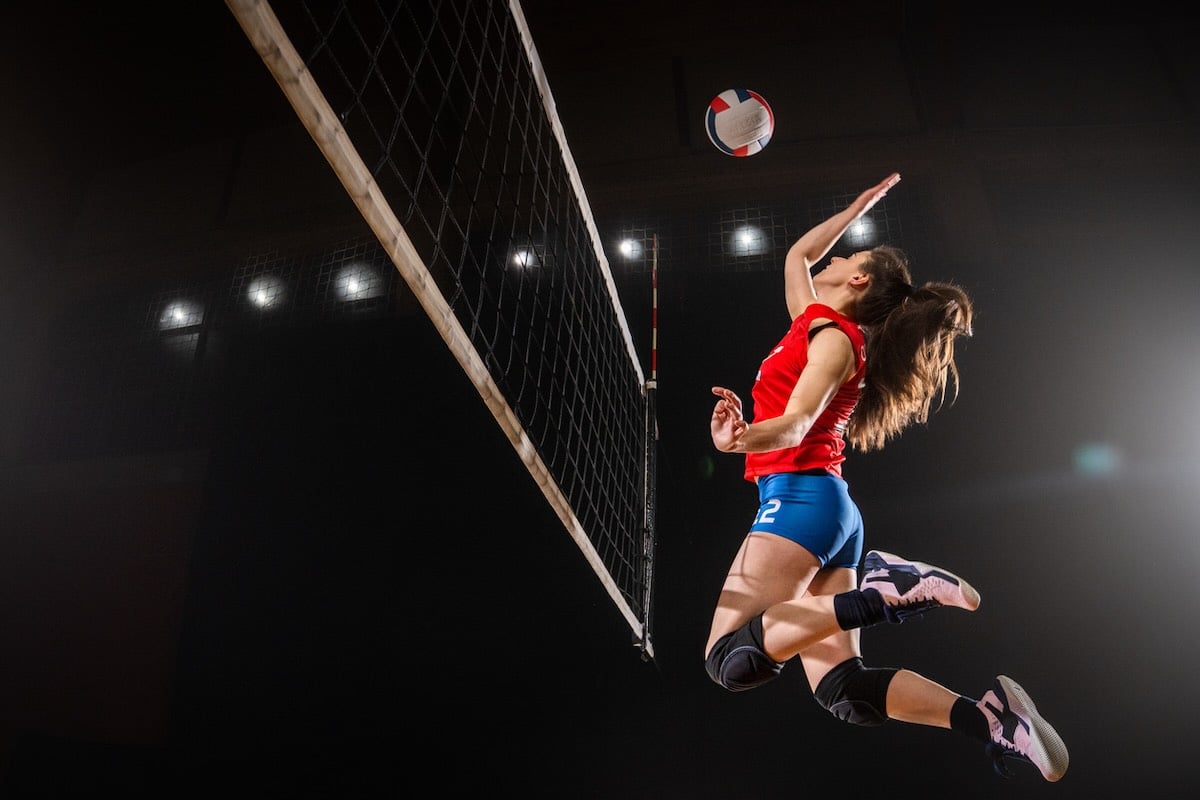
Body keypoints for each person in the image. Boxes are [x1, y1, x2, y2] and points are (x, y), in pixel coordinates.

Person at [704, 172, 1069, 782]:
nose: (837, 254)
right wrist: (853, 209)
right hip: (825, 509)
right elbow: (798, 253)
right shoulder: (813, 323)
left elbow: (794, 427)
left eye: (848, 256)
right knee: (845, 691)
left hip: (801, 499)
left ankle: (884, 590)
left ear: (857, 280)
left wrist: (741, 438)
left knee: (727, 661)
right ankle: (998, 722)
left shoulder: (835, 342)